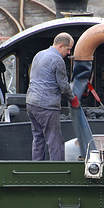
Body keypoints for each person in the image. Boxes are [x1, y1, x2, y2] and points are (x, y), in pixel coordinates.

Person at [26, 32, 80, 161]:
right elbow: (63, 86)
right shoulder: (57, 59)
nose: (68, 53)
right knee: (54, 140)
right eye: (68, 49)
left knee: (38, 139)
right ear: (61, 46)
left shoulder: (39, 55)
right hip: (47, 107)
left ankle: (37, 169)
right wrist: (73, 99)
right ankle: (58, 173)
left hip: (31, 103)